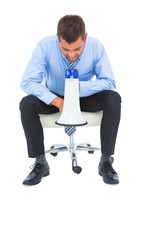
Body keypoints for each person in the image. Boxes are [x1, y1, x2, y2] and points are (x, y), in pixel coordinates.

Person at [19, 14, 121, 186]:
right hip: (55, 97)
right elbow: (28, 82)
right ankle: (40, 163)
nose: (71, 55)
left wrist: (80, 87)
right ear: (58, 39)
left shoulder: (95, 47)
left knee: (113, 98)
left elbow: (109, 81)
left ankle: (105, 162)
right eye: (65, 50)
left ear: (85, 38)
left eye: (77, 49)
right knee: (26, 103)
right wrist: (57, 101)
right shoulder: (45, 46)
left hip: (84, 97)